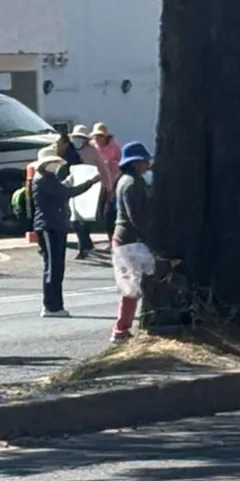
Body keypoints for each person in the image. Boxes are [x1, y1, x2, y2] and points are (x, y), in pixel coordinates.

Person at [31, 153, 99, 317]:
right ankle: (52, 306)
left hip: (49, 225)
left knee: (52, 266)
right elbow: (68, 192)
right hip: (51, 226)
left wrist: (67, 183)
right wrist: (91, 182)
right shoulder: (44, 179)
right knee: (54, 267)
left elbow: (61, 190)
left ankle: (53, 304)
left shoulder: (45, 178)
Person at [110, 142, 153, 343]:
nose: (147, 164)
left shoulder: (127, 180)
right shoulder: (132, 184)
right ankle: (121, 330)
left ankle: (125, 327)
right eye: (144, 161)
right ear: (135, 163)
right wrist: (150, 235)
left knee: (135, 287)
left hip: (126, 238)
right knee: (131, 288)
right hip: (130, 240)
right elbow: (137, 216)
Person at [91, 123, 122, 232]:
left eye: (100, 135)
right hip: (98, 182)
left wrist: (110, 164)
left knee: (110, 208)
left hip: (113, 181)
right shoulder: (93, 147)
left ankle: (111, 230)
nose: (98, 138)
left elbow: (120, 162)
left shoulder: (114, 147)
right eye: (96, 136)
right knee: (99, 209)